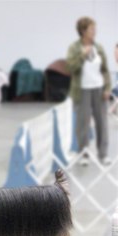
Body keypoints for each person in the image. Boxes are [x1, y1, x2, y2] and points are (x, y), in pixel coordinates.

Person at [66, 17, 111, 166]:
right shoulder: (74, 47)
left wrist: (107, 88)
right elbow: (70, 67)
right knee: (82, 123)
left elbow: (105, 69)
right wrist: (82, 55)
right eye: (92, 29)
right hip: (82, 90)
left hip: (99, 89)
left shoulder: (99, 48)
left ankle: (103, 154)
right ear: (83, 31)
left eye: (94, 29)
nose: (94, 32)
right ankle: (83, 153)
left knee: (102, 122)